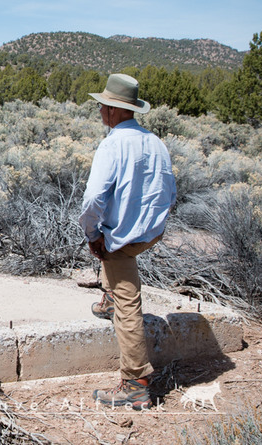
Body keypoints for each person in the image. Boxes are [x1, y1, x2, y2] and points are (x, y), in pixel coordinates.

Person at [79, 73, 177, 411]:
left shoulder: (112, 144)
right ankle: (108, 297)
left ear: (113, 111)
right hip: (150, 232)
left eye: (103, 106)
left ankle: (135, 384)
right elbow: (169, 191)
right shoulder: (155, 142)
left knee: (128, 302)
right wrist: (145, 226)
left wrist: (93, 235)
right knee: (113, 248)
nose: (100, 111)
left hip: (124, 238)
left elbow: (93, 199)